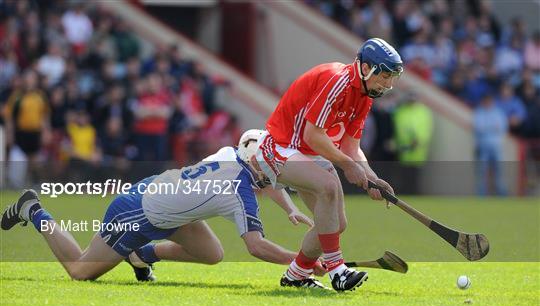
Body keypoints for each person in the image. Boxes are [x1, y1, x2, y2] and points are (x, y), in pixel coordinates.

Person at [1, 134, 321, 285]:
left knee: (212, 253)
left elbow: (266, 181)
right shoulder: (238, 189)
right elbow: (256, 246)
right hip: (136, 212)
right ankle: (34, 210)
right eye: (269, 162)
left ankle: (142, 255)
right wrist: (300, 262)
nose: (274, 169)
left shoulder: (229, 153)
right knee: (80, 271)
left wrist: (289, 207)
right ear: (255, 159)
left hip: (166, 205)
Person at [249, 38, 403, 291]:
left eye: (392, 78)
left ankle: (295, 276)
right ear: (366, 68)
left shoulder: (365, 96)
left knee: (334, 224)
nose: (388, 84)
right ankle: (337, 271)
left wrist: (371, 177)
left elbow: (351, 147)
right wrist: (347, 165)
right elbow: (313, 135)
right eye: (385, 76)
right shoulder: (337, 80)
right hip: (278, 147)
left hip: (307, 154)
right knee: (329, 186)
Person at [474, 94, 508, 196]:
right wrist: (493, 127)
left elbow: (502, 128)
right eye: (486, 101)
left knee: (499, 170)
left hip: (496, 146)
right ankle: (481, 194)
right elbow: (479, 128)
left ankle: (500, 193)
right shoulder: (479, 112)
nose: (488, 103)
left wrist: (488, 128)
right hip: (482, 146)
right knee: (482, 171)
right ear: (483, 102)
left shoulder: (498, 112)